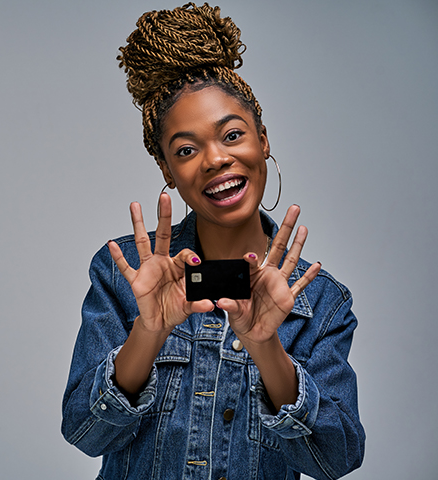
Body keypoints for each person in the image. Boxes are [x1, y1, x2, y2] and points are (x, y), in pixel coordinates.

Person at [62, 3, 365, 479]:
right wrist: (149, 333)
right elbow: (83, 431)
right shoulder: (123, 276)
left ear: (263, 140)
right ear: (167, 170)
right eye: (186, 149)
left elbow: (337, 459)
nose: (215, 159)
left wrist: (267, 348)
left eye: (232, 135)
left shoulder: (321, 301)